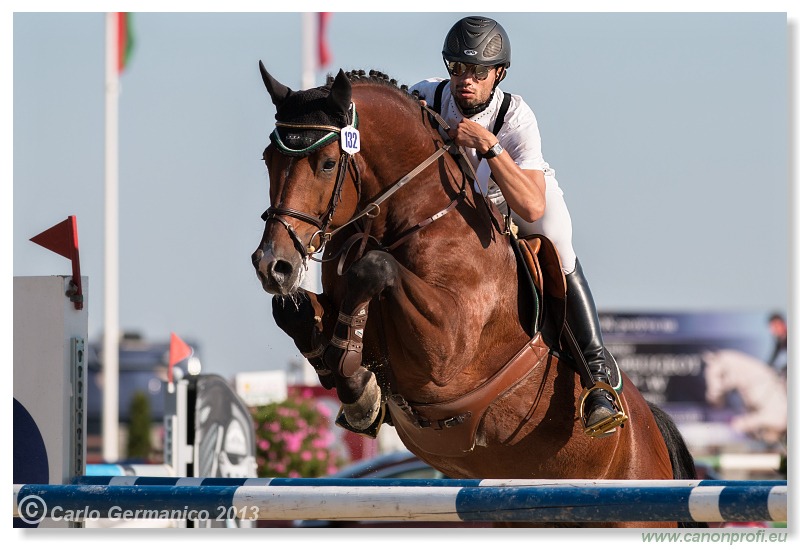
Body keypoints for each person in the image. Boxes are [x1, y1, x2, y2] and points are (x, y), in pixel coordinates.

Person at [410, 16, 624, 438]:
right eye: (456, 69)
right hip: (455, 206)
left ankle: (597, 371)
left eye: (476, 72)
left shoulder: (516, 115)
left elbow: (530, 202)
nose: (464, 80)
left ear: (498, 74)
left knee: (558, 239)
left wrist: (488, 146)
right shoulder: (425, 96)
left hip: (515, 197)